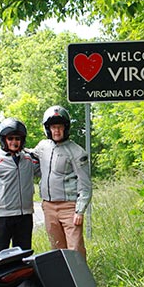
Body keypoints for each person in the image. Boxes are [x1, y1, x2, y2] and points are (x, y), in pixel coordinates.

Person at [31, 105, 92, 260]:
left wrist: (80, 210)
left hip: (69, 207)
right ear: (48, 129)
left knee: (75, 249)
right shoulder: (43, 147)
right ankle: (62, 281)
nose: (56, 131)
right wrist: (5, 152)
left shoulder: (77, 152)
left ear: (65, 128)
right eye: (53, 127)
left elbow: (85, 184)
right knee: (57, 249)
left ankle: (80, 282)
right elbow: (27, 155)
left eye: (59, 127)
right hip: (49, 207)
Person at [0, 118, 40, 251]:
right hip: (1, 219)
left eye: (17, 139)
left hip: (24, 217)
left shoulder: (29, 160)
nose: (14, 142)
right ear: (3, 139)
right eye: (10, 138)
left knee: (23, 257)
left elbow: (49, 168)